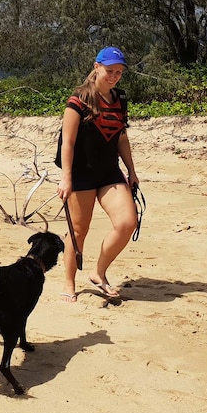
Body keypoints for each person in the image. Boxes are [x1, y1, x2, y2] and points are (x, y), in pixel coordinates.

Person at [56, 46, 139, 303]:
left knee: (127, 222)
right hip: (81, 173)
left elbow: (121, 137)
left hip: (109, 172)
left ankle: (98, 272)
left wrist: (131, 171)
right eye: (109, 71)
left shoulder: (120, 99)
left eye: (119, 72)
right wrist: (66, 178)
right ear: (96, 67)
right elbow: (67, 143)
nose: (114, 76)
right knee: (79, 231)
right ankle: (69, 281)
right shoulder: (78, 100)